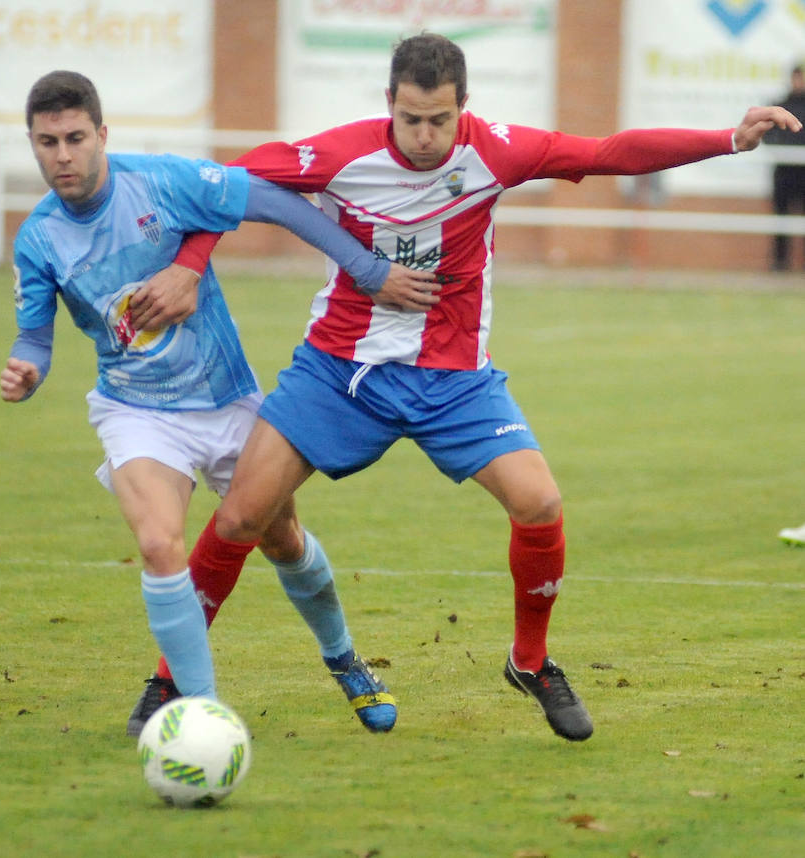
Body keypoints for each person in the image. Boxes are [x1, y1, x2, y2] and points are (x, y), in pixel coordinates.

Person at [144, 34, 801, 743]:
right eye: (412, 119)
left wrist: (727, 138)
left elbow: (608, 152)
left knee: (540, 501)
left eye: (441, 121)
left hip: (456, 381)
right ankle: (167, 680)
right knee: (241, 515)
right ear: (388, 104)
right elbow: (222, 187)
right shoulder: (338, 155)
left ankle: (530, 661)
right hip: (341, 371)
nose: (426, 137)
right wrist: (188, 265)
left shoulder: (495, 151)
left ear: (465, 108)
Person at [0, 70, 436, 737]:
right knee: (158, 542)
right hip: (136, 410)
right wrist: (29, 367)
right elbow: (35, 334)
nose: (63, 155)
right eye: (47, 142)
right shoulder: (37, 239)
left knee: (283, 539)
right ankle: (201, 711)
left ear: (102, 135)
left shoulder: (162, 181)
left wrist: (370, 271)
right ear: (32, 144)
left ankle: (343, 658)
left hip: (227, 400)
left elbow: (278, 203)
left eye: (75, 138)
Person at [764, 65, 805, 270]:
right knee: (781, 218)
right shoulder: (779, 107)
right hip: (784, 171)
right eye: (797, 77)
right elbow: (766, 135)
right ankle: (780, 262)